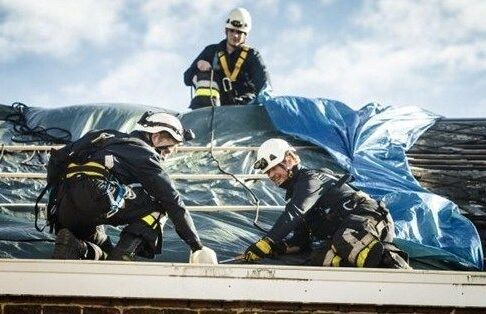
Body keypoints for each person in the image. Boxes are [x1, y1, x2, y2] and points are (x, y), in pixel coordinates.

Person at [46, 111, 213, 261]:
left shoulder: (103, 136)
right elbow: (171, 199)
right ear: (156, 137)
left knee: (102, 243)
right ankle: (121, 258)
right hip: (97, 198)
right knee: (159, 206)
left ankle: (75, 247)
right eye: (167, 150)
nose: (165, 155)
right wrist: (196, 245)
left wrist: (58, 202)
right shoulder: (144, 153)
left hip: (64, 208)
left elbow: (56, 159)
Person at [243, 138, 411, 269]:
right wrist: (276, 248)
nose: (271, 175)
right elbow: (300, 242)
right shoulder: (297, 195)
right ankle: (366, 268)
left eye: (274, 168)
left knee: (345, 239)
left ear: (289, 160)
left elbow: (295, 213)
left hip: (369, 217)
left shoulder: (311, 179)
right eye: (268, 172)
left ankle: (394, 265)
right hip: (352, 232)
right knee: (319, 257)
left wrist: (267, 242)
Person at [183, 7, 270, 109]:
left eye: (240, 32)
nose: (235, 35)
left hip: (244, 110)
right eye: (232, 31)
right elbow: (187, 78)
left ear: (246, 35)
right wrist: (197, 66)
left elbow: (264, 86)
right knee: (203, 76)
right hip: (214, 110)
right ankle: (202, 118)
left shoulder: (252, 55)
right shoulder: (211, 51)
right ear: (226, 30)